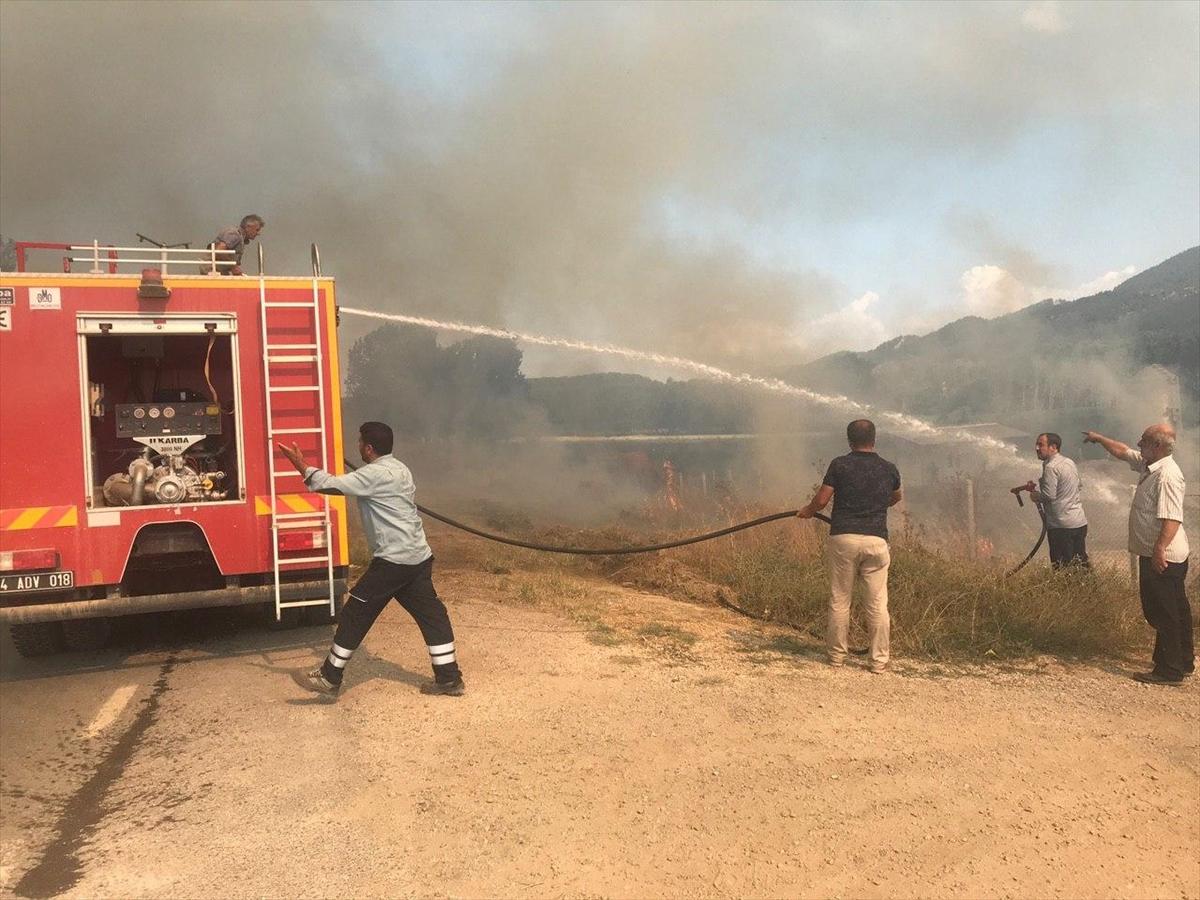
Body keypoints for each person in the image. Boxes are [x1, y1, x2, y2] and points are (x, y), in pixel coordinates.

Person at [277, 421, 465, 697]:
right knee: (432, 615)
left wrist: (300, 464)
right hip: (417, 557)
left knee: (355, 612)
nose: (357, 447)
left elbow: (329, 485)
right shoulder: (401, 468)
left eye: (359, 442)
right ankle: (449, 678)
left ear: (368, 447)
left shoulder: (373, 475)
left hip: (394, 561)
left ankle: (330, 677)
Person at [1084, 424, 1192, 685]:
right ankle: (1184, 661)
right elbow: (1123, 452)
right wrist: (1099, 438)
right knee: (1176, 609)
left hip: (1163, 556)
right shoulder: (1150, 465)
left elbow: (1171, 518)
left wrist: (1158, 549)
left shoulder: (1166, 475)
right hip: (1163, 554)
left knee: (1162, 612)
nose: (1138, 443)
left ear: (1157, 446)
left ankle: (1169, 670)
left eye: (1143, 441)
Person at [797, 419, 902, 673]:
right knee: (877, 603)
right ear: (874, 440)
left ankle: (836, 658)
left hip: (843, 538)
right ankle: (878, 662)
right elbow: (896, 497)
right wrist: (876, 504)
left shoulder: (840, 465)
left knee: (840, 598)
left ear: (849, 441)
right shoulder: (889, 468)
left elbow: (822, 500)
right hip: (877, 541)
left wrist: (808, 511)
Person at [1011, 432, 1089, 568]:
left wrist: (1035, 495)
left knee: (1062, 568)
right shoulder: (1068, 462)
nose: (1037, 448)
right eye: (1036, 444)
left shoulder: (1051, 467)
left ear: (1053, 447)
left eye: (1041, 445)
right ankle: (1088, 587)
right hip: (1079, 523)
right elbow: (1079, 485)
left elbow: (1049, 496)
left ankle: (1067, 589)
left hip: (1061, 527)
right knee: (1080, 563)